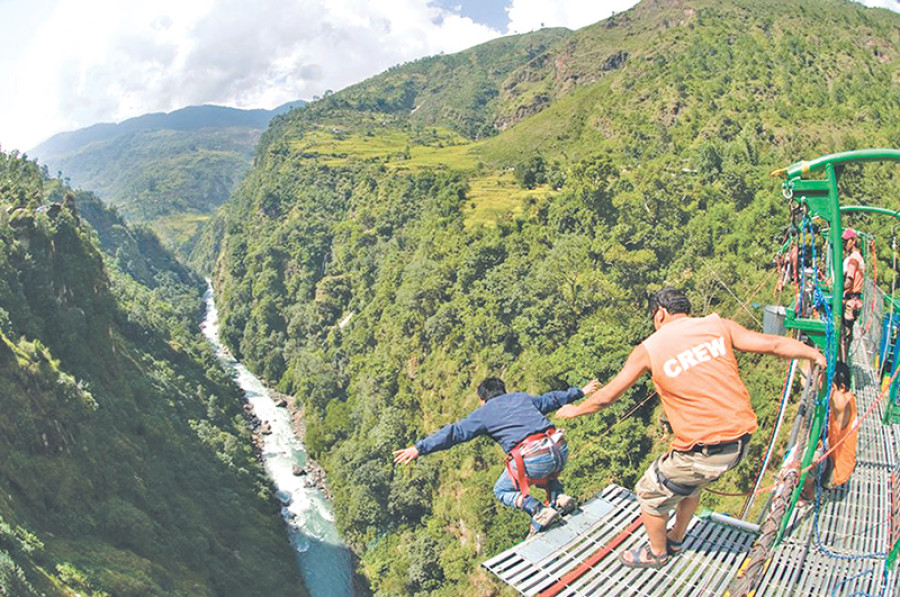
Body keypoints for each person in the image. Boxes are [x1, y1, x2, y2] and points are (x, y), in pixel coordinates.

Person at [557, 287, 826, 569]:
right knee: (689, 484)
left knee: (648, 492)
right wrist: (813, 354)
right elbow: (773, 344)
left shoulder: (649, 348)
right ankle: (675, 537)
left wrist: (576, 410)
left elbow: (608, 395)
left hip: (706, 451)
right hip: (740, 442)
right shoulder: (717, 325)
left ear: (660, 314)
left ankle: (657, 553)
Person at [393, 376, 599, 535]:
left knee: (501, 489)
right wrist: (580, 391)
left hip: (533, 456)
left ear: (482, 400)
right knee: (542, 468)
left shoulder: (484, 413)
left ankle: (538, 510)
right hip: (558, 447)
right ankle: (559, 497)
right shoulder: (521, 397)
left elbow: (454, 433)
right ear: (503, 390)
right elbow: (551, 399)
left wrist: (419, 448)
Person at [826, 361, 858, 487]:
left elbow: (832, 396)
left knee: (805, 462)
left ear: (842, 387)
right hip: (841, 464)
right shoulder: (849, 397)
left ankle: (811, 494)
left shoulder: (843, 405)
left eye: (832, 386)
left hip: (836, 473)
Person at [841, 228, 865, 358]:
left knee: (844, 334)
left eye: (846, 241)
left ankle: (841, 363)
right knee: (847, 335)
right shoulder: (858, 257)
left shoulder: (853, 259)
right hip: (855, 300)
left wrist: (838, 289)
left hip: (850, 301)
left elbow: (849, 281)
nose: (844, 244)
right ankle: (843, 362)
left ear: (853, 241)